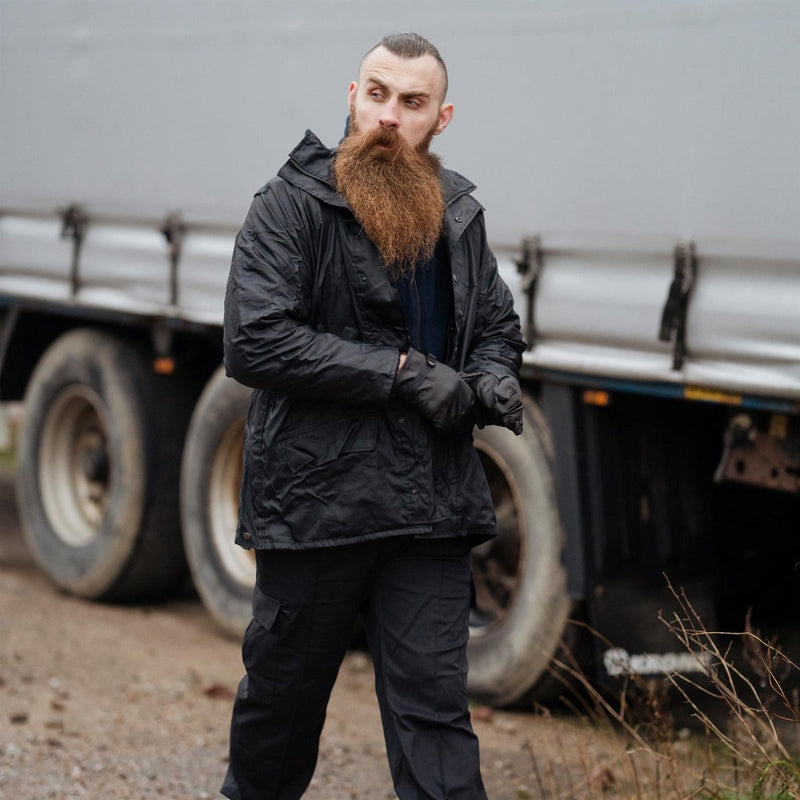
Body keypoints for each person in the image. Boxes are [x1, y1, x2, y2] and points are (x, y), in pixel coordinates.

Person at [220, 32, 525, 800]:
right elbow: (255, 340)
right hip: (318, 504)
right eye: (377, 94)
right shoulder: (290, 204)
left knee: (436, 721)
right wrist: (400, 372)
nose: (390, 116)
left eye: (412, 102)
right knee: (280, 717)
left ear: (441, 117)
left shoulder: (458, 212)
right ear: (352, 96)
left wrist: (488, 381)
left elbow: (496, 326)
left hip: (431, 508)